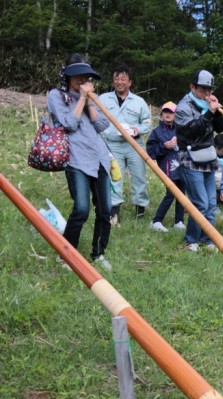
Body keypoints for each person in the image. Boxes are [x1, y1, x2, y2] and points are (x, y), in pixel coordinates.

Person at [48, 53, 113, 270]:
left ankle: (98, 253)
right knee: (82, 208)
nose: (81, 81)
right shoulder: (56, 95)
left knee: (105, 211)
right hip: (76, 160)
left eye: (85, 77)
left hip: (100, 158)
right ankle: (66, 254)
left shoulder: (94, 99)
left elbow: (102, 125)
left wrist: (90, 102)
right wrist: (82, 100)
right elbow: (68, 123)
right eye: (77, 77)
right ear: (67, 77)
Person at [174, 69, 223, 251]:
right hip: (190, 158)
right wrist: (209, 114)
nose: (207, 93)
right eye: (203, 89)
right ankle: (191, 240)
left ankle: (208, 238)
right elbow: (192, 132)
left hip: (207, 157)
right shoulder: (183, 107)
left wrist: (218, 112)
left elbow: (221, 128)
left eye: (209, 89)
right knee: (200, 203)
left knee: (211, 203)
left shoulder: (208, 106)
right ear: (192, 87)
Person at [99, 65, 152, 224]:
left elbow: (148, 123)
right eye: (116, 79)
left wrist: (137, 130)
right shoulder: (103, 99)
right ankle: (114, 213)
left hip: (134, 145)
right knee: (115, 178)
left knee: (138, 177)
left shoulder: (139, 101)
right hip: (112, 145)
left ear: (130, 82)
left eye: (123, 79)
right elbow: (96, 119)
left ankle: (140, 212)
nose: (119, 82)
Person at [146, 101, 185, 233]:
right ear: (162, 114)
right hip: (167, 167)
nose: (168, 115)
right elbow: (150, 152)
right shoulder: (156, 132)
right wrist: (164, 146)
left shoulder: (180, 129)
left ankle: (179, 221)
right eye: (165, 112)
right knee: (171, 193)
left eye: (171, 112)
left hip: (182, 165)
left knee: (182, 193)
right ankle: (156, 221)